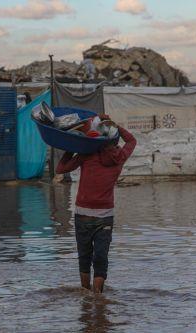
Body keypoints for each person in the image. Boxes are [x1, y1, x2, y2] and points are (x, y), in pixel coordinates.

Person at [56, 116, 136, 293]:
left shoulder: (86, 153)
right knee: (101, 259)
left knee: (84, 258)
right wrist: (114, 124)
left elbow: (60, 169)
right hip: (105, 217)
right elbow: (131, 140)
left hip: (82, 215)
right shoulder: (120, 157)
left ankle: (85, 296)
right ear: (115, 140)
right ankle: (98, 299)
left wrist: (72, 147)